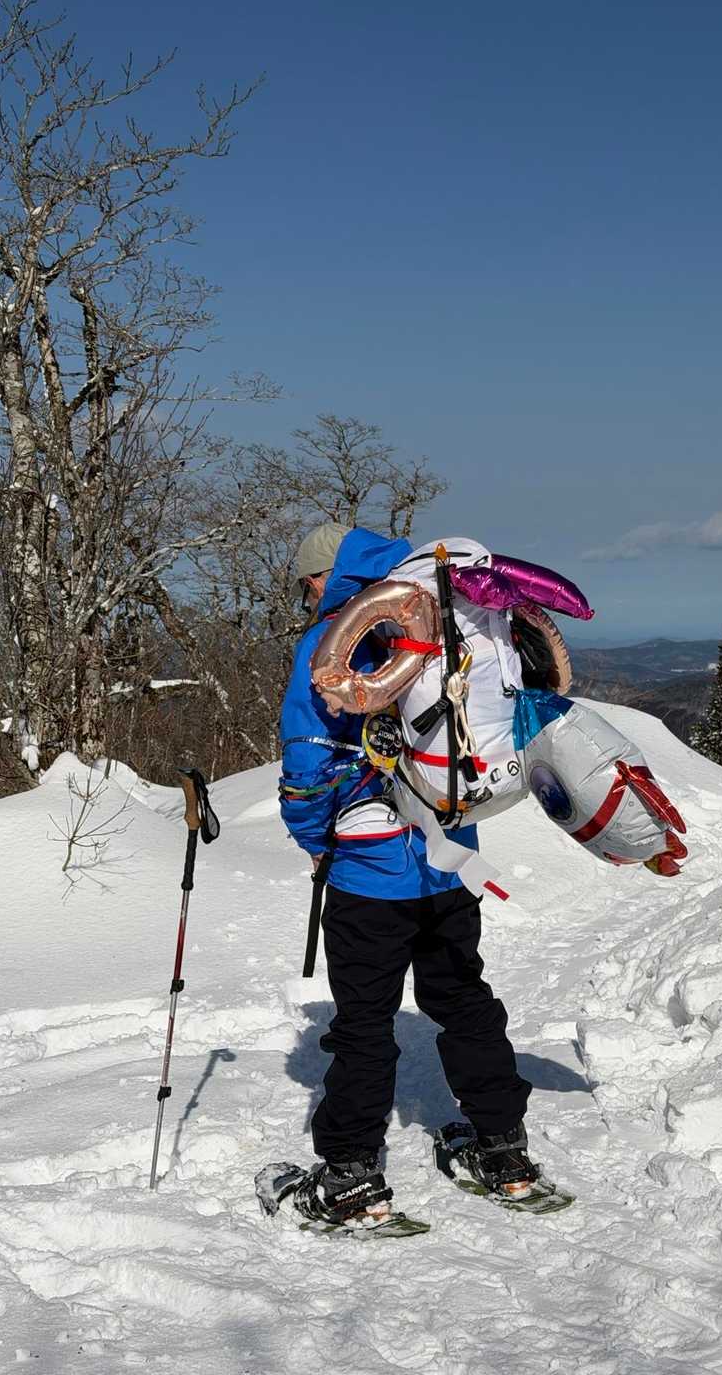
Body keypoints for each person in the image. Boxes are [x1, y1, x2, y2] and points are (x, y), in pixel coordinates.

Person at [278, 522, 535, 1224]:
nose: (307, 597)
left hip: (370, 873)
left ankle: (352, 1174)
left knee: (364, 1021)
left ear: (326, 576)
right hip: (452, 862)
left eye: (306, 584)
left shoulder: (336, 637)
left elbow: (308, 756)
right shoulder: (450, 615)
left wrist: (314, 840)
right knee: (464, 1000)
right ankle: (504, 1150)